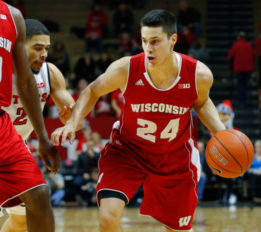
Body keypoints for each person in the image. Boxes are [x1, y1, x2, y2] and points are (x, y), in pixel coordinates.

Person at [52, 9, 225, 232]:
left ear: (173, 40)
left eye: (155, 41)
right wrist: (72, 123)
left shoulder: (198, 75)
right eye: (144, 41)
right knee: (108, 216)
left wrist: (221, 134)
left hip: (174, 157)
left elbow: (201, 102)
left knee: (177, 229)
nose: (148, 48)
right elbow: (93, 90)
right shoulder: (127, 68)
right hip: (128, 151)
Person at [1, 18, 75, 232]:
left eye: (46, 48)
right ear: (18, 45)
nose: (44, 54)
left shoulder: (49, 72)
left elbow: (72, 111)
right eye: (37, 48)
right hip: (4, 140)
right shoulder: (3, 68)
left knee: (21, 219)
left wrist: (71, 120)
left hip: (15, 149)